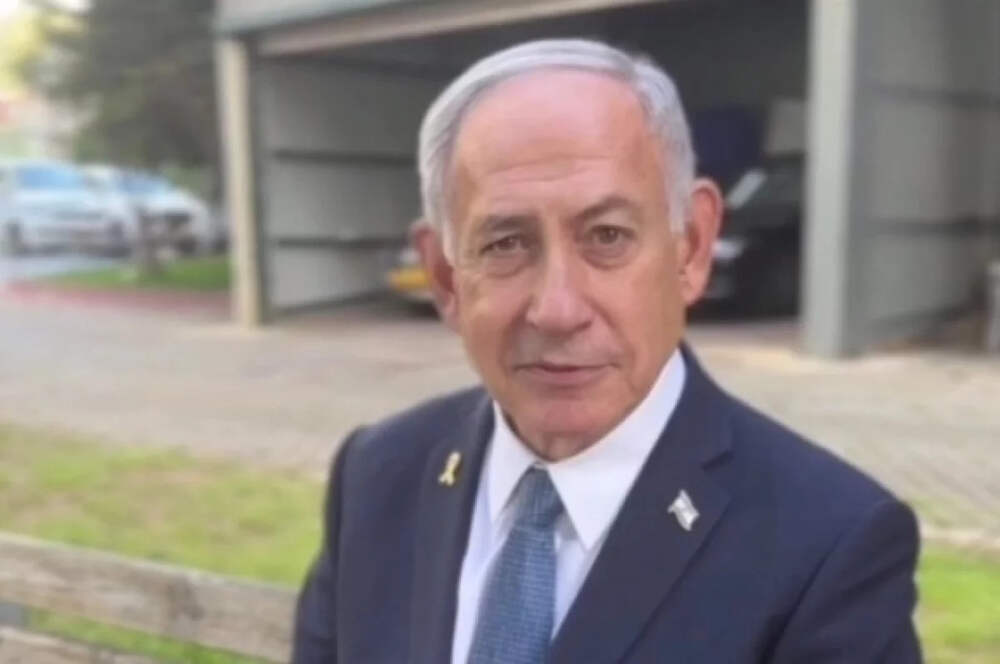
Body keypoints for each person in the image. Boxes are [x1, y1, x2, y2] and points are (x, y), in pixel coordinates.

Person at [292, 39, 921, 664]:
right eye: (506, 244)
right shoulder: (377, 476)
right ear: (446, 278)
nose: (557, 309)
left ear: (692, 247)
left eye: (607, 236)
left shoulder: (829, 546)